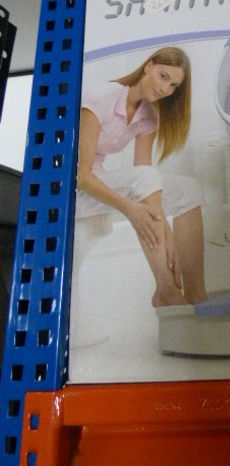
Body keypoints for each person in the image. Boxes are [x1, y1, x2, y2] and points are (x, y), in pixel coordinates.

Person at [76, 46, 208, 307]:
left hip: (100, 182)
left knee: (188, 189)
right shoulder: (102, 97)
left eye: (173, 85)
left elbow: (148, 183)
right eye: (163, 76)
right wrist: (129, 209)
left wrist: (169, 235)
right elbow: (82, 176)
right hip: (72, 189)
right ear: (148, 66)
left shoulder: (148, 115)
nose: (165, 88)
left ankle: (196, 294)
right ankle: (166, 289)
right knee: (144, 179)